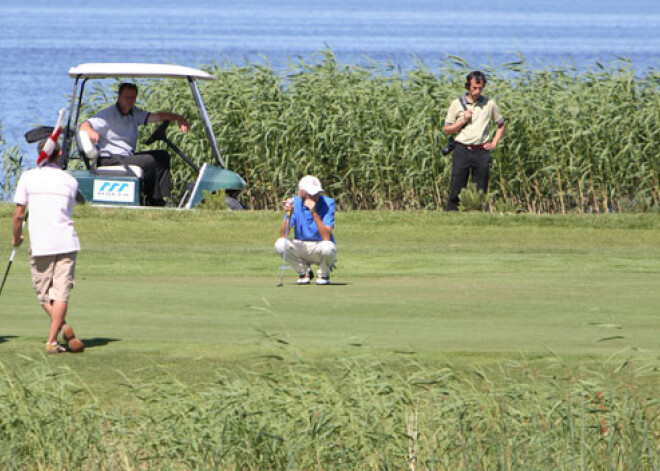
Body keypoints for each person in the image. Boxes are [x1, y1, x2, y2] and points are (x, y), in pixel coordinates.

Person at [12, 138, 83, 354]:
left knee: (44, 295)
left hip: (42, 242)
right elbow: (68, 208)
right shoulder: (70, 180)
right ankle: (58, 333)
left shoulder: (28, 177)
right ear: (59, 154)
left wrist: (16, 238)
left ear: (40, 155)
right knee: (61, 292)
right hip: (67, 240)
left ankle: (55, 336)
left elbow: (18, 215)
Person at [79, 82, 189, 206]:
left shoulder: (134, 113)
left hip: (124, 156)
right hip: (108, 157)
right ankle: (152, 200)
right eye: (126, 97)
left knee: (162, 156)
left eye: (132, 98)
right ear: (119, 97)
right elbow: (84, 125)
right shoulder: (107, 115)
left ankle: (163, 198)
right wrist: (90, 131)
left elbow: (157, 117)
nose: (129, 101)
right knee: (148, 161)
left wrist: (178, 118)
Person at [444, 71, 505, 211]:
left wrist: (494, 142)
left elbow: (501, 124)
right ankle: (451, 214)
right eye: (474, 88)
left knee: (481, 189)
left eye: (480, 88)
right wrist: (463, 120)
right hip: (462, 149)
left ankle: (478, 215)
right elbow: (447, 129)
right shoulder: (456, 104)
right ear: (468, 87)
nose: (477, 91)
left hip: (482, 151)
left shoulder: (489, 104)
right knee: (456, 187)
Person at [274, 175, 337, 285]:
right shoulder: (295, 203)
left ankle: (324, 274)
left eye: (317, 193)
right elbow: (283, 234)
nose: (315, 196)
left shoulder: (328, 203)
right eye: (311, 194)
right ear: (301, 192)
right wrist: (289, 213)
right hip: (301, 246)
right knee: (280, 244)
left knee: (328, 247)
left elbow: (326, 236)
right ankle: (304, 272)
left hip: (320, 246)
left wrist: (313, 212)